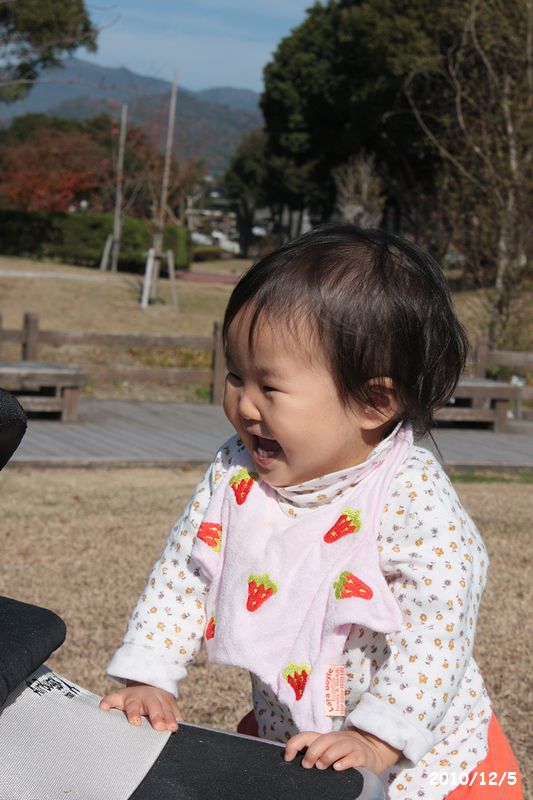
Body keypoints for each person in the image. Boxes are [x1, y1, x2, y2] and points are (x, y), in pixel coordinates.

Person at [100, 226, 522, 798]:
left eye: (270, 388)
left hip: (426, 760)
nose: (244, 404)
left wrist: (376, 738)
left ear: (373, 401)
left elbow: (437, 630)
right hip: (293, 737)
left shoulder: (410, 495)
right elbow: (185, 573)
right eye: (235, 376)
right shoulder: (235, 471)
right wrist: (149, 674)